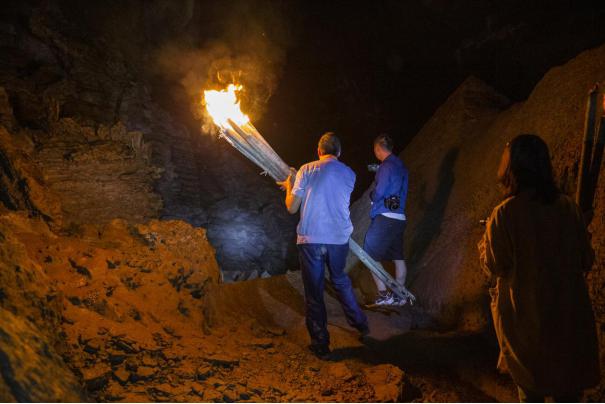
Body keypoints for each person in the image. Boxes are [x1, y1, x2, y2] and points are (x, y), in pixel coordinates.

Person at [478, 134, 600, 402]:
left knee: (531, 392)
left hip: (529, 327)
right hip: (568, 323)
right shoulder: (567, 207)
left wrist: (485, 243)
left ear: (513, 168)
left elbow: (496, 266)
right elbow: (585, 259)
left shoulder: (504, 214)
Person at [279, 132, 369, 359]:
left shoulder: (306, 170)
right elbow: (328, 190)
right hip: (338, 238)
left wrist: (290, 185)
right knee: (339, 280)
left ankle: (321, 344)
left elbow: (292, 207)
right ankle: (360, 322)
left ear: (318, 151)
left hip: (311, 239)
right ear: (339, 152)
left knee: (314, 292)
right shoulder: (350, 173)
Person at [363, 134, 409, 306]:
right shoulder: (402, 166)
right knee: (398, 257)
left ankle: (384, 295)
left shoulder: (385, 166)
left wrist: (372, 196)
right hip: (399, 218)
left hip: (385, 217)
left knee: (368, 255)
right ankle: (400, 296)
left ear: (378, 149)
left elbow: (380, 192)